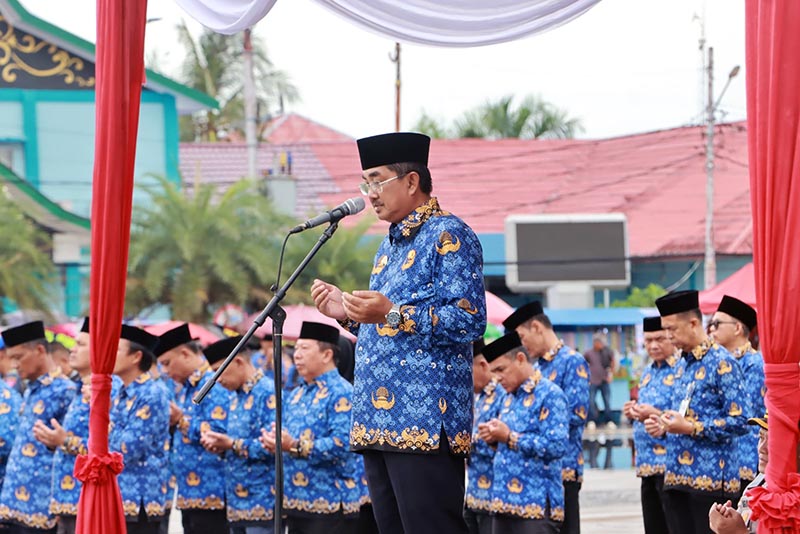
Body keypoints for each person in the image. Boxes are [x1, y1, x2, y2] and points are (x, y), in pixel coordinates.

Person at [311, 132, 486, 534]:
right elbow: (390, 327)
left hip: (424, 420)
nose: (369, 193)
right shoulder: (387, 247)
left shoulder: (449, 235)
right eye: (365, 183)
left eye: (377, 180)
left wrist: (390, 311)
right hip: (377, 419)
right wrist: (348, 314)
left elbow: (469, 321)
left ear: (411, 181)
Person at [645, 290, 749, 534]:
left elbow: (741, 421)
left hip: (711, 481)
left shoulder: (722, 362)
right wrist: (663, 425)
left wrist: (691, 427)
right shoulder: (682, 364)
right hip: (676, 476)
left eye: (672, 330)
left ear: (693, 323)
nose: (669, 337)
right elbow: (679, 413)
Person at [260, 322, 361, 534]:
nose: (296, 355)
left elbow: (344, 444)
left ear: (326, 355)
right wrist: (273, 440)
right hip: (295, 501)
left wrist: (294, 445)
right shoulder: (297, 393)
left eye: (304, 348)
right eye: (296, 349)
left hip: (329, 503)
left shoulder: (341, 392)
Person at [503, 301, 589, 534]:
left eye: (522, 336)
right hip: (535, 467)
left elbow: (577, 415)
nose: (521, 344)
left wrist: (527, 426)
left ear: (538, 328)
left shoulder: (572, 361)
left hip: (564, 466)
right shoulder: (536, 366)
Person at [32, 318, 117, 534]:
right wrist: (55, 440)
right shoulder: (79, 388)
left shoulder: (110, 391)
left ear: (99, 352)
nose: (72, 350)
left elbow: (112, 448)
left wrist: (64, 441)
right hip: (66, 499)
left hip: (88, 499)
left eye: (80, 345)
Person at [479, 332, 569, 534]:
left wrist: (510, 438)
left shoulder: (550, 394)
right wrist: (494, 438)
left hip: (535, 505)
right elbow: (505, 441)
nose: (497, 377)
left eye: (501, 369)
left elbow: (556, 446)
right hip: (502, 502)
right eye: (494, 371)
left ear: (520, 359)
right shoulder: (507, 398)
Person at [0, 321, 76, 534]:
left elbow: (70, 450)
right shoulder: (31, 389)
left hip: (42, 507)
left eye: (18, 357)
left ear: (40, 350)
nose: (14, 365)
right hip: (14, 505)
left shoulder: (65, 391)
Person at [154, 323, 229, 534]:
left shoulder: (213, 383)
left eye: (167, 363)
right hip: (190, 493)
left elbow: (217, 433)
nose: (166, 372)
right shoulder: (187, 388)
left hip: (212, 492)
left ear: (186, 354)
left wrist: (180, 421)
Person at [199, 336, 276, 534]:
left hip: (263, 499)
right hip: (236, 500)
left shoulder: (267, 392)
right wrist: (219, 446)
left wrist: (231, 444)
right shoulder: (235, 396)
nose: (218, 380)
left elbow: (272, 447)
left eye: (219, 372)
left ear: (238, 362)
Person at [110, 325, 170, 534]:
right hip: (118, 494)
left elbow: (128, 448)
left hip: (140, 497)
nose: (110, 355)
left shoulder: (152, 392)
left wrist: (105, 421)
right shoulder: (119, 391)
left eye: (116, 350)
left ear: (136, 357)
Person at [622, 316, 678, 534]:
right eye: (648, 341)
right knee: (653, 525)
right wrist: (634, 411)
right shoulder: (647, 372)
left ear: (671, 337)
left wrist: (654, 413)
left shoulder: (681, 369)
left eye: (659, 339)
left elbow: (687, 415)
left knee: (672, 525)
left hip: (671, 463)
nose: (653, 346)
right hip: (647, 463)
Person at [707, 295, 764, 489]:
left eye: (716, 324)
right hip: (722, 458)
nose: (711, 330)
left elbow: (748, 414)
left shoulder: (754, 364)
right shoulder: (717, 363)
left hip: (746, 457)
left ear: (737, 328)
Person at [464, 339, 506, 534]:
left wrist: (467, 444)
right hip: (473, 495)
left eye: (466, 372)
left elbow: (501, 441)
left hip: (494, 497)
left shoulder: (503, 395)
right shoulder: (479, 397)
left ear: (482, 365)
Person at [708, 412, 770, 534]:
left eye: (773, 441)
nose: (762, 448)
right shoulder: (759, 483)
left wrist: (738, 532)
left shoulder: (793, 499)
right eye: (761, 437)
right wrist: (727, 524)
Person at [583, 332, 615, 425]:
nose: (601, 344)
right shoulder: (589, 353)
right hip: (593, 380)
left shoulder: (607, 351)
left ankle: (609, 420)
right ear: (595, 343)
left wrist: (611, 374)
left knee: (607, 401)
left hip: (604, 379)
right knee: (591, 401)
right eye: (600, 342)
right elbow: (583, 364)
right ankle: (592, 420)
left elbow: (613, 362)